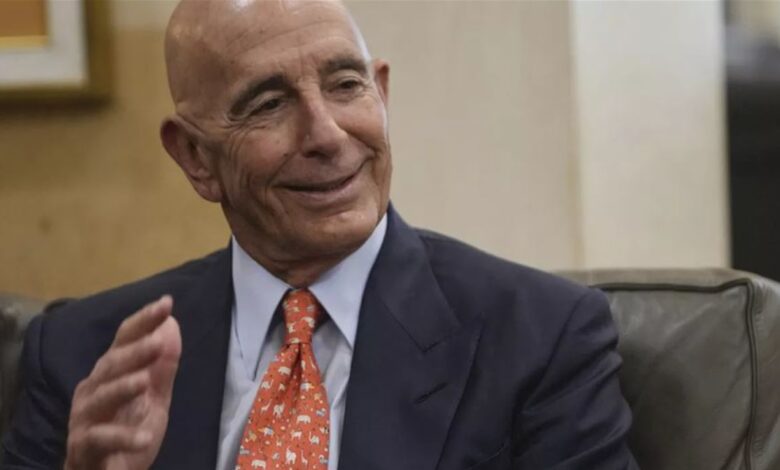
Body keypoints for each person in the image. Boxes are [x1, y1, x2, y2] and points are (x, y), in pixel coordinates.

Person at [2, 0, 638, 469]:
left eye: (345, 85)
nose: (327, 135)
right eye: (270, 104)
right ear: (195, 157)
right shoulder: (82, 357)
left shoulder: (540, 337)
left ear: (381, 94)